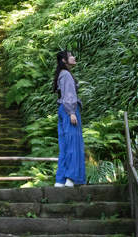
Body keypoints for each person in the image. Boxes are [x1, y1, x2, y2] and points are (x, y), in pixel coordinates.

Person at [52, 50, 86, 187]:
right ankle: (72, 178)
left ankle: (60, 180)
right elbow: (69, 94)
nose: (74, 57)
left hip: (62, 108)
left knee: (65, 145)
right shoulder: (66, 74)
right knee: (73, 143)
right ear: (64, 60)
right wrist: (72, 112)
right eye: (71, 56)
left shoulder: (61, 74)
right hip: (69, 108)